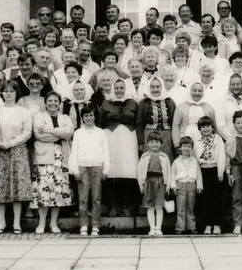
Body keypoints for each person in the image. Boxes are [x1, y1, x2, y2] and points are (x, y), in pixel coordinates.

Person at [0, 80, 33, 234]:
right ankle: (1, 223)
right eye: (6, 91)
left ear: (16, 93)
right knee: (0, 188)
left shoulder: (23, 112)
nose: (8, 94)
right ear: (2, 93)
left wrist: (11, 143)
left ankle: (17, 223)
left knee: (16, 189)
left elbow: (27, 132)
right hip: (0, 152)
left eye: (11, 91)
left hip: (17, 151)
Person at [31, 91, 75, 233]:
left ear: (59, 103)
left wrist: (49, 130)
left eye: (56, 101)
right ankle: (42, 223)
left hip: (61, 158)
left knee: (59, 191)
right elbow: (39, 135)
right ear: (46, 102)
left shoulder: (65, 117)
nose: (53, 103)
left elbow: (69, 133)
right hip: (44, 157)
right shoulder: (39, 116)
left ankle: (54, 223)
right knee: (44, 191)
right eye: (50, 101)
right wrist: (59, 134)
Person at [98, 79, 140, 217]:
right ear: (113, 89)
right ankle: (113, 206)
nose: (119, 90)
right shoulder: (106, 103)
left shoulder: (133, 103)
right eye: (117, 88)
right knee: (112, 171)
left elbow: (138, 122)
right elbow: (100, 124)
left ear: (126, 88)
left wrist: (140, 142)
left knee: (128, 172)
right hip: (111, 138)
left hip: (129, 138)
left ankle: (126, 206)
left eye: (122, 88)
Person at [69, 104, 110, 236]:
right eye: (86, 116)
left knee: (96, 197)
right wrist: (75, 170)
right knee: (83, 197)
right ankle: (84, 225)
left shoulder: (101, 132)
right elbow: (74, 152)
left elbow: (106, 152)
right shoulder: (78, 133)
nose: (89, 118)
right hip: (82, 166)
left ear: (95, 116)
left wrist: (106, 170)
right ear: (82, 118)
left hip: (97, 166)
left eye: (91, 115)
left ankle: (96, 225)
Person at [194, 116, 226, 235]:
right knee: (205, 200)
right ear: (199, 129)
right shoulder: (197, 141)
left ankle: (217, 224)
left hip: (215, 171)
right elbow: (196, 158)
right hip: (203, 172)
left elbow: (221, 156)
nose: (206, 129)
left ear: (212, 127)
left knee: (216, 199)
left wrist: (220, 173)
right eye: (203, 127)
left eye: (208, 126)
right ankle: (207, 224)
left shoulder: (217, 139)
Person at [137, 132, 172, 236]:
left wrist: (168, 186)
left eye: (157, 142)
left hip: (160, 182)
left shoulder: (165, 157)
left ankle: (158, 228)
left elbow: (169, 172)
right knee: (150, 206)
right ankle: (152, 228)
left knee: (159, 206)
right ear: (147, 144)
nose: (154, 144)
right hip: (148, 182)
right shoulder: (144, 157)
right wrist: (141, 184)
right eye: (152, 142)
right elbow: (139, 172)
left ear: (161, 143)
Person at [136, 77, 177, 163]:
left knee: (166, 162)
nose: (155, 89)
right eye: (152, 87)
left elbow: (174, 122)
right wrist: (141, 143)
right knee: (150, 163)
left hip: (167, 137)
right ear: (148, 88)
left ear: (162, 87)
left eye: (158, 86)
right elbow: (139, 123)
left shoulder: (170, 102)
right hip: (149, 136)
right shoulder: (143, 103)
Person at [171, 136, 203, 234]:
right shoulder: (176, 161)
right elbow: (173, 175)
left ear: (192, 148)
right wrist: (173, 186)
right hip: (180, 185)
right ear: (180, 148)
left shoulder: (194, 161)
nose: (186, 148)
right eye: (184, 146)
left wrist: (199, 185)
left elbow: (198, 174)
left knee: (190, 207)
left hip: (191, 185)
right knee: (180, 207)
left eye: (189, 146)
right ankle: (180, 227)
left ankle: (191, 226)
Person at [215, 74, 242, 142]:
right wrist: (233, 140)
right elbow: (221, 125)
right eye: (233, 84)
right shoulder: (222, 101)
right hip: (230, 141)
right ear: (229, 85)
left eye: (238, 84)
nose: (236, 87)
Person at [172, 81, 216, 149]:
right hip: (185, 138)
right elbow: (176, 126)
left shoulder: (209, 108)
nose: (197, 93)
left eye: (200, 91)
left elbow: (213, 127)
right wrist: (177, 145)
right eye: (194, 90)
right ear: (190, 91)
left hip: (204, 139)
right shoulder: (181, 107)